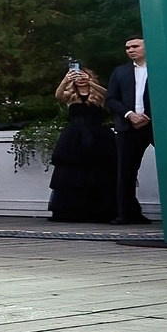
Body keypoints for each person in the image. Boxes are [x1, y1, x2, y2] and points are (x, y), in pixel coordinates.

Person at [49, 65, 118, 223]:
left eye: (83, 76)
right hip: (75, 137)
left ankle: (102, 210)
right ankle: (71, 210)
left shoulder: (97, 95)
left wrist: (90, 83)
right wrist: (66, 80)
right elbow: (58, 95)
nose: (80, 79)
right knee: (72, 172)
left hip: (98, 135)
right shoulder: (71, 95)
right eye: (77, 76)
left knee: (100, 172)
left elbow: (109, 95)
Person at [106, 36, 154, 223]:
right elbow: (111, 98)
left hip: (156, 125)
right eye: (127, 48)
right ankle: (127, 213)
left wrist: (147, 115)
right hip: (128, 126)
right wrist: (129, 115)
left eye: (135, 46)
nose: (130, 50)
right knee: (125, 171)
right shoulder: (120, 72)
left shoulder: (160, 68)